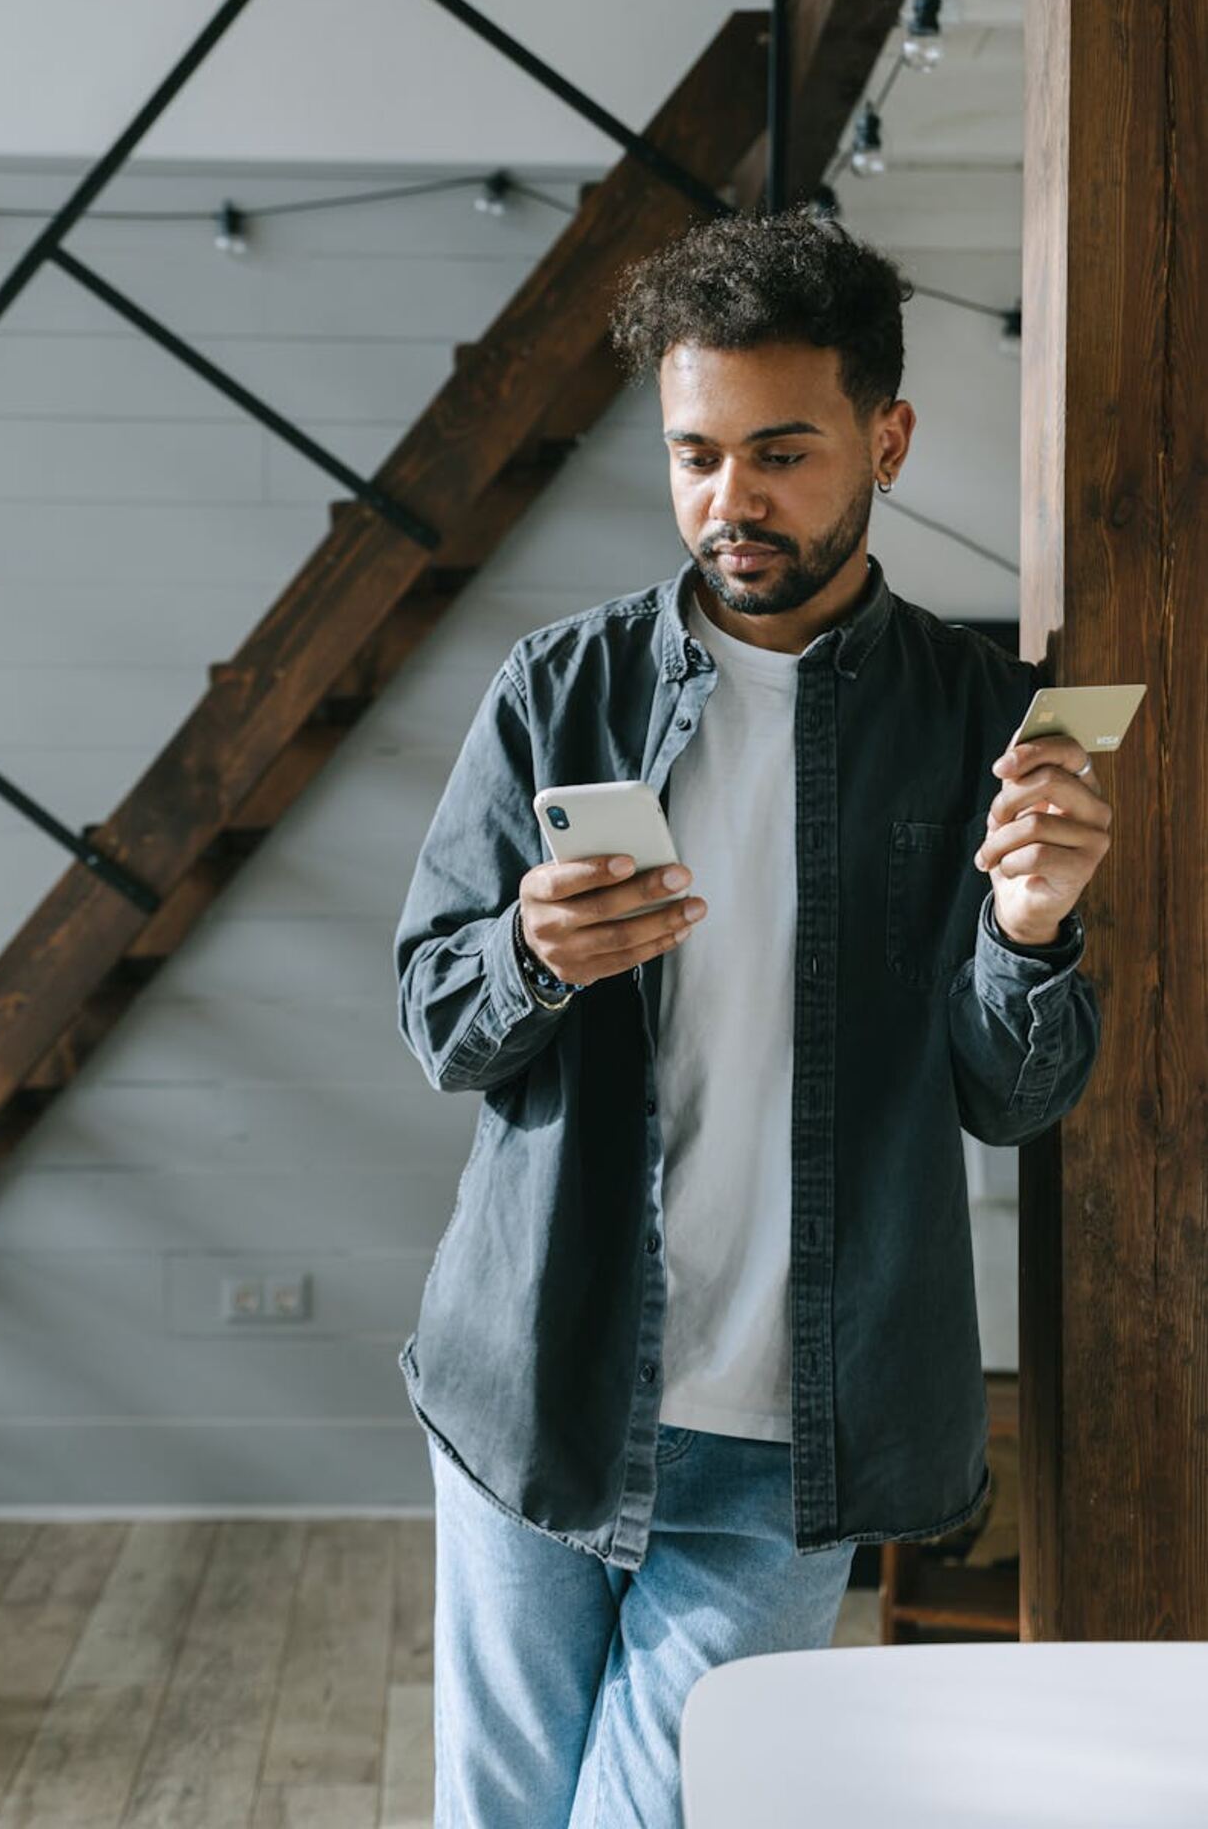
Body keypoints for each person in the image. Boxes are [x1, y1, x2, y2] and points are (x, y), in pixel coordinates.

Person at [391, 207, 1108, 1828]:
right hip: (541, 1382)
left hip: (804, 1439)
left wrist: (1032, 926)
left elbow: (1011, 1100)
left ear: (889, 438)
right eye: (697, 454)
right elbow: (441, 1023)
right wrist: (530, 952)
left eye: (782, 451)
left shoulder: (989, 725)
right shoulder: (558, 692)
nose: (733, 500)